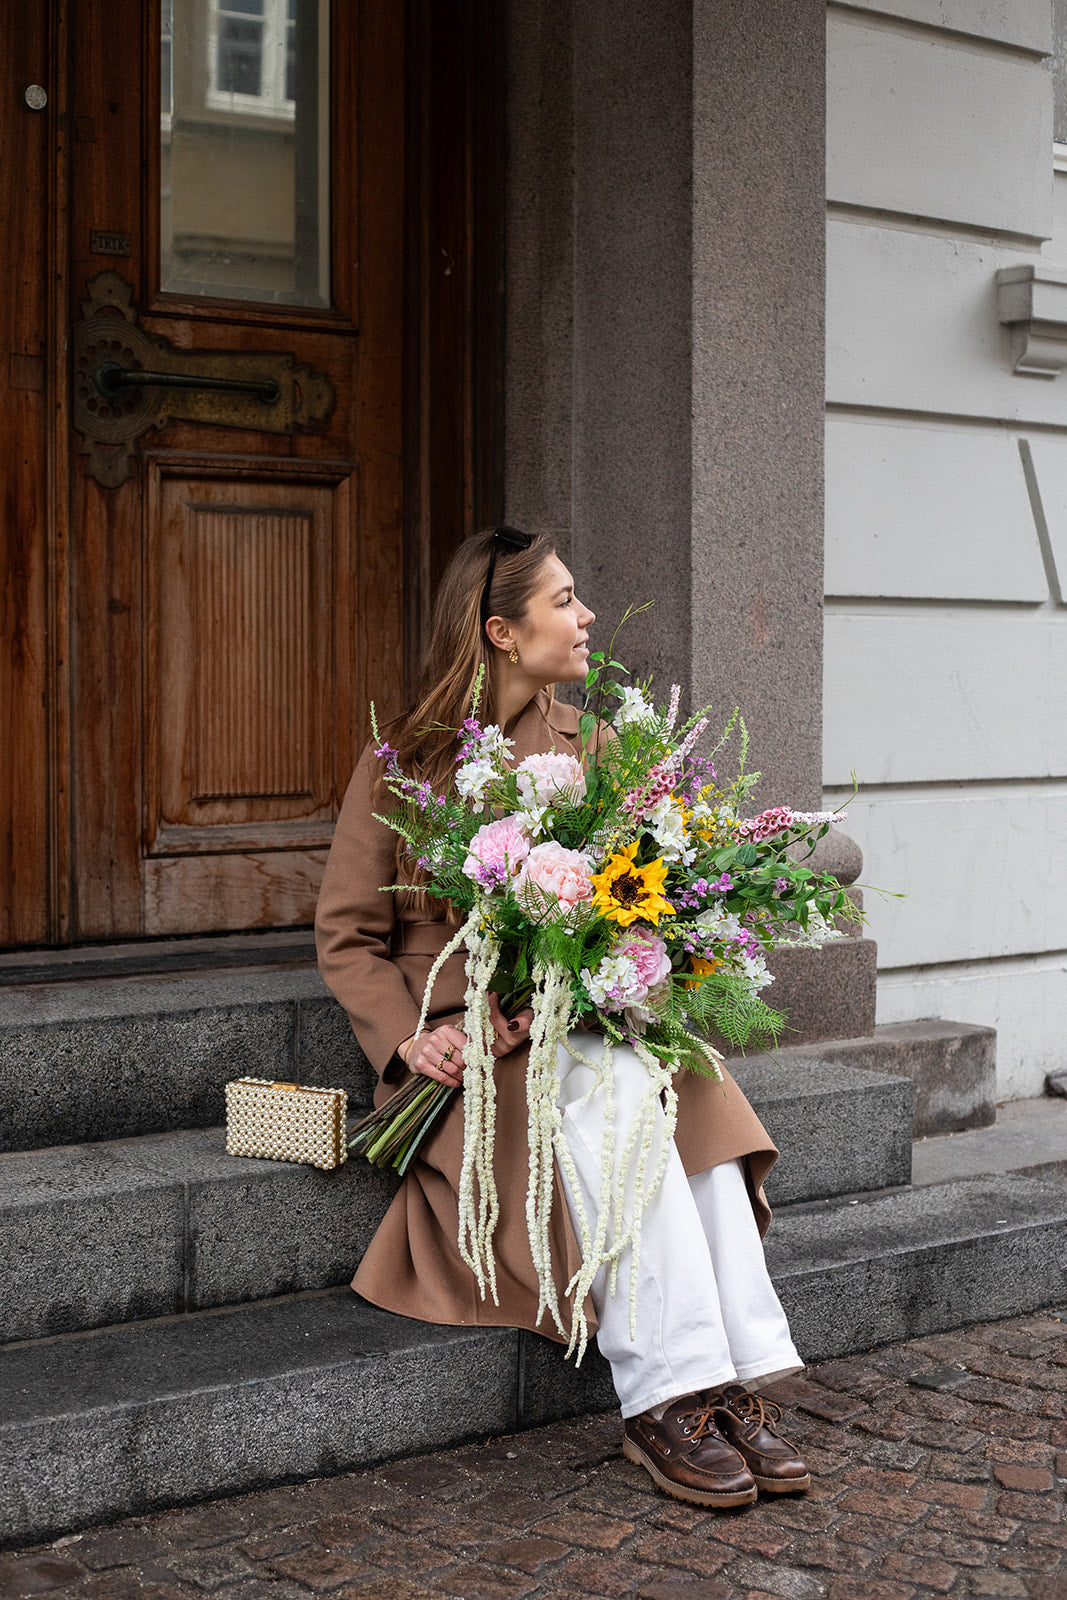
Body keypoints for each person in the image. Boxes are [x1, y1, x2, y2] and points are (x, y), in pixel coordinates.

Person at [316, 526, 810, 1509]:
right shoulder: (404, 764)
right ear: (500, 630)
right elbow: (346, 937)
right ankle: (665, 1396)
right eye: (565, 600)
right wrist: (414, 1038)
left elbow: (650, 900)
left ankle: (729, 1380)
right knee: (609, 1088)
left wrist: (630, 971)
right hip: (483, 1046)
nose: (587, 618)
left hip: (595, 1006)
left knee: (681, 1080)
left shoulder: (605, 747)